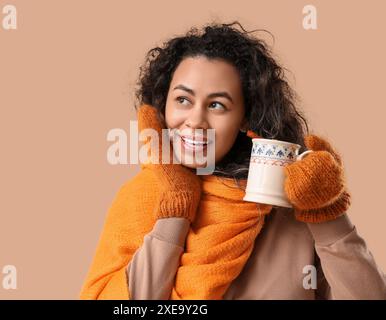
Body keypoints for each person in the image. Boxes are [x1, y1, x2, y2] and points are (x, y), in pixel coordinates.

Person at [79, 21, 386, 299]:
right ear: (163, 105)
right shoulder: (139, 197)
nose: (195, 120)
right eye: (183, 100)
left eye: (217, 104)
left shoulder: (289, 207)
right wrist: (176, 207)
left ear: (244, 117)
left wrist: (327, 212)